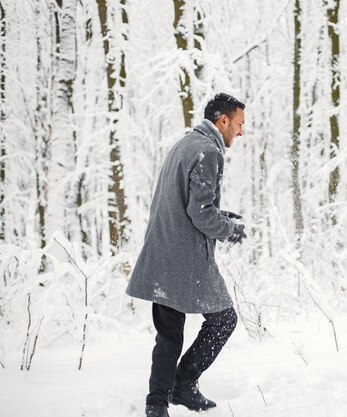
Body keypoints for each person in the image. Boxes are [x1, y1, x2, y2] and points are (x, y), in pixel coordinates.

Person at [126, 93, 248, 417]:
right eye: (238, 125)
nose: (241, 132)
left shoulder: (185, 144)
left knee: (168, 333)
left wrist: (221, 216)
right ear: (223, 120)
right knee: (224, 320)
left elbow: (186, 201)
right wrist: (229, 230)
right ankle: (182, 383)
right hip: (186, 259)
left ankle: (156, 405)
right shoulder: (209, 151)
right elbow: (200, 212)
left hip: (162, 252)